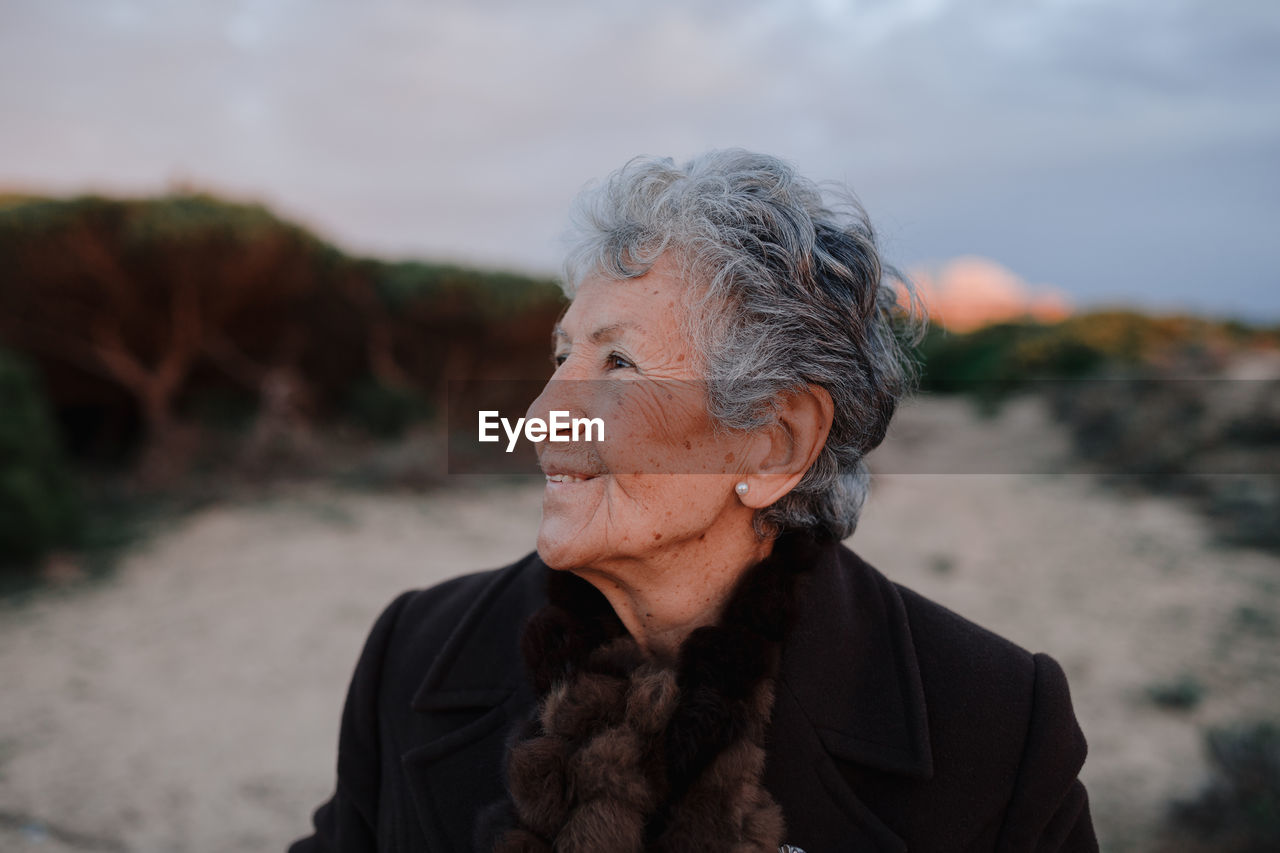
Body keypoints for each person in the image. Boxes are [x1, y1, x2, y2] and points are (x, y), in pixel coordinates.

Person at [290, 150, 1098, 852]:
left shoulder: (993, 724)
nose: (539, 415)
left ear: (775, 442)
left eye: (618, 366)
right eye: (562, 353)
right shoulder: (415, 650)